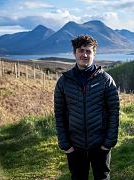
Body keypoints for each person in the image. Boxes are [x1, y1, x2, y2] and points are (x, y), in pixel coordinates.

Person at [54, 34, 120, 180]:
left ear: (94, 53)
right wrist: (65, 145)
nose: (84, 54)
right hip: (75, 146)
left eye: (88, 51)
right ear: (74, 53)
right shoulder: (64, 82)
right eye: (81, 50)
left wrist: (108, 143)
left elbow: (114, 113)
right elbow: (59, 114)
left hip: (100, 145)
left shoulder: (105, 80)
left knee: (102, 177)